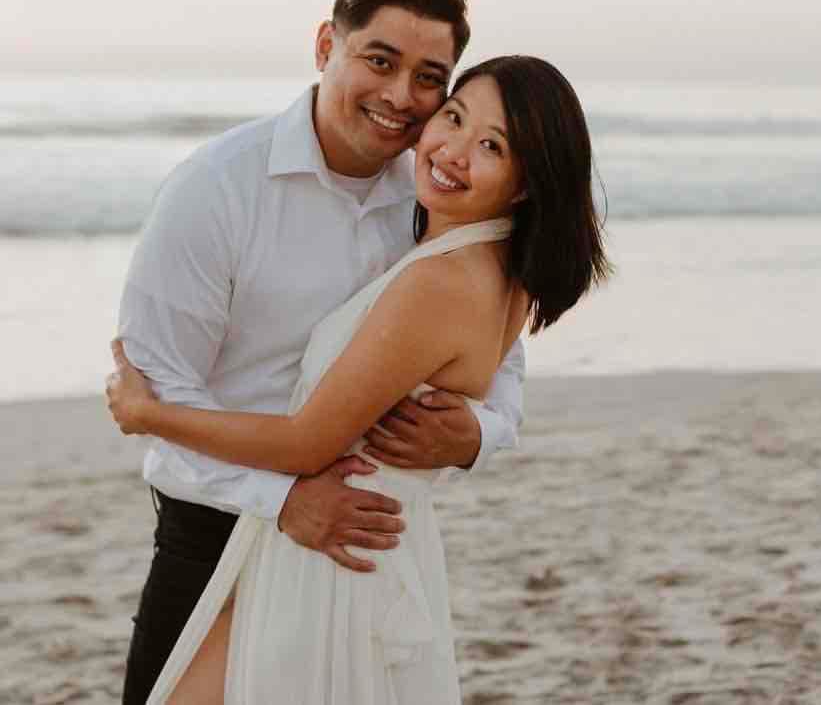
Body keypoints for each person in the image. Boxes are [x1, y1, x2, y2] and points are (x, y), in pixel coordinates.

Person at [108, 55, 610, 702]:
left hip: (331, 546)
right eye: (455, 118)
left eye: (492, 146)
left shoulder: (441, 277)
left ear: (525, 183)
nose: (454, 151)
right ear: (328, 47)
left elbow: (306, 443)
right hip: (345, 538)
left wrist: (150, 415)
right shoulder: (494, 262)